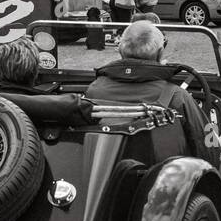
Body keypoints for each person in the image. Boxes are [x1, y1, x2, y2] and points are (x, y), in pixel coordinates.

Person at [85, 21, 208, 157]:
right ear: (160, 53)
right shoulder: (177, 96)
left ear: (120, 50)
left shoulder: (94, 90)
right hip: (161, 174)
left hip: (107, 170)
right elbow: (204, 146)